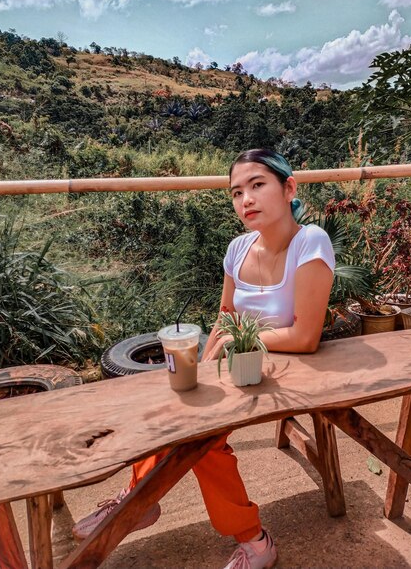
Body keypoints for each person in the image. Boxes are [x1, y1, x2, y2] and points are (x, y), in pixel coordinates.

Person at [72, 149, 334, 569]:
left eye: (257, 185)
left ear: (289, 189)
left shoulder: (311, 241)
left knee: (199, 440)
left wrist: (235, 344)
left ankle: (231, 531)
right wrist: (206, 365)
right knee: (171, 405)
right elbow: (225, 318)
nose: (245, 199)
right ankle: (147, 499)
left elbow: (305, 337)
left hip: (290, 372)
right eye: (236, 192)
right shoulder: (237, 248)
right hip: (240, 369)